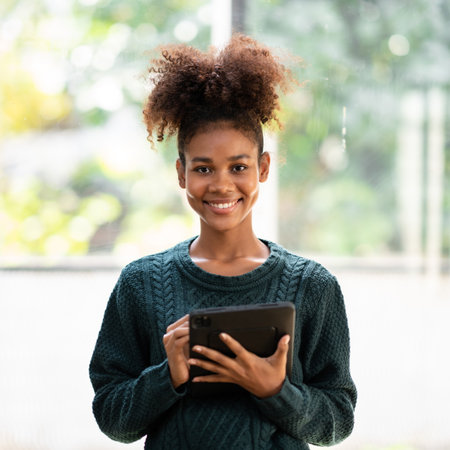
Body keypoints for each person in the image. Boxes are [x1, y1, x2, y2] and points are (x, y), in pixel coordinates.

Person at [89, 34, 357, 449]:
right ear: (181, 173)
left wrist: (276, 390)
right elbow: (112, 420)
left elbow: (337, 422)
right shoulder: (139, 283)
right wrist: (168, 375)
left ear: (262, 168)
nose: (221, 185)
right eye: (203, 168)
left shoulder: (314, 286)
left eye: (238, 166)